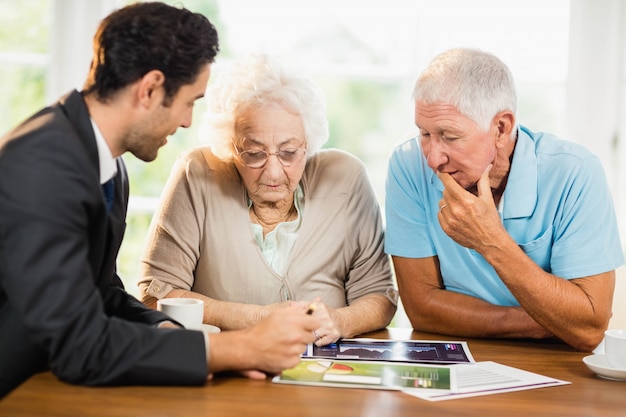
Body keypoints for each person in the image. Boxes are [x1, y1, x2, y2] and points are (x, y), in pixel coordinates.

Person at [0, 2, 319, 398]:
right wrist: (236, 347)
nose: (187, 121)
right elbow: (78, 343)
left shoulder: (107, 163)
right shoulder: (41, 164)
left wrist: (164, 329)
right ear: (150, 89)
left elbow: (100, 294)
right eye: (189, 101)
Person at [138, 54, 397, 346]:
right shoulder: (197, 174)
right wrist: (258, 318)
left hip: (322, 372)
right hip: (226, 368)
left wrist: (341, 321)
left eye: (288, 153)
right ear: (230, 146)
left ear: (308, 143)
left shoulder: (346, 179)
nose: (273, 172)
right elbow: (155, 295)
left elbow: (381, 296)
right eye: (254, 153)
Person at [384, 48, 624, 352]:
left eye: (449, 136)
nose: (432, 158)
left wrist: (490, 242)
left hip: (556, 364)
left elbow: (589, 328)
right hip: (454, 356)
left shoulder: (575, 172)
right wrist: (547, 322)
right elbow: (421, 308)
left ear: (501, 128)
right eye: (424, 134)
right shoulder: (408, 164)